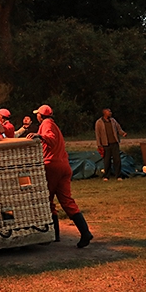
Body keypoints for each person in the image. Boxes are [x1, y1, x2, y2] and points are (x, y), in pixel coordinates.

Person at [26, 104, 94, 248]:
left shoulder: (46, 124)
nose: (36, 116)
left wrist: (39, 136)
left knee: (47, 199)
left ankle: (54, 233)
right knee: (67, 201)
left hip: (52, 166)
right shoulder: (53, 124)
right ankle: (85, 232)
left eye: (37, 114)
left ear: (41, 115)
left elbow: (50, 138)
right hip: (64, 166)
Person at [95, 108, 128, 181]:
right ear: (104, 113)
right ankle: (106, 176)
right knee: (107, 161)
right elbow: (98, 134)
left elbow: (118, 129)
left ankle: (118, 175)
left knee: (117, 160)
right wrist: (99, 145)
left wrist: (123, 133)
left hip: (114, 143)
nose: (110, 113)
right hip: (106, 144)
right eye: (108, 111)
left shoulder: (113, 121)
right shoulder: (99, 122)